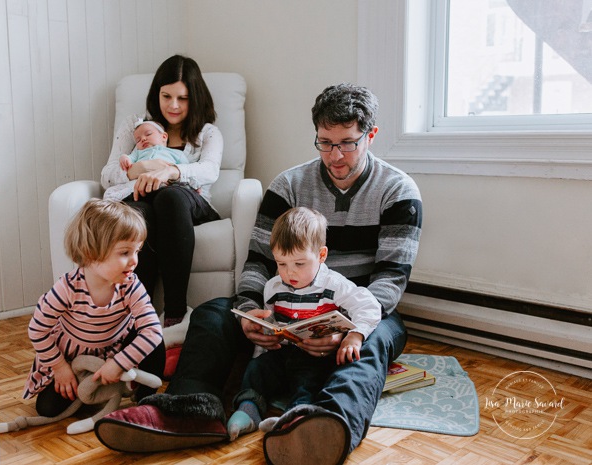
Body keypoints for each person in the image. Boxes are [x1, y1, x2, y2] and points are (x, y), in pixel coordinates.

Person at [95, 83, 422, 465]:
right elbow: (258, 262)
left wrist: (344, 328)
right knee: (211, 314)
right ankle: (186, 411)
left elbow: (389, 282)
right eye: (324, 142)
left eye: (347, 143)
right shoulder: (288, 185)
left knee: (372, 343)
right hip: (285, 307)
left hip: (356, 313)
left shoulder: (398, 190)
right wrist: (251, 311)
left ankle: (327, 424)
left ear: (371, 136)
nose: (335, 156)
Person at [226, 207, 381, 440]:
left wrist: (354, 335)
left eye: (299, 264)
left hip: (316, 356)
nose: (289, 273)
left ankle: (296, 419)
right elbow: (271, 323)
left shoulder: (333, 284)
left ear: (321, 255)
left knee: (307, 381)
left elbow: (369, 306)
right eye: (281, 263)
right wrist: (267, 340)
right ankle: (248, 411)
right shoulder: (274, 287)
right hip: (283, 353)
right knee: (256, 369)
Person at [100, 55, 222, 329]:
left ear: (196, 98)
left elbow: (210, 170)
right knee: (137, 214)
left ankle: (175, 313)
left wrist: (170, 172)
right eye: (166, 96)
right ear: (157, 94)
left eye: (183, 98)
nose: (173, 105)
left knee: (170, 196)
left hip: (188, 201)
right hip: (142, 199)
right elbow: (108, 175)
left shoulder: (207, 133)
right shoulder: (136, 125)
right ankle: (135, 318)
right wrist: (142, 168)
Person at [23, 199, 165, 418]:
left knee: (154, 342)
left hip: (116, 351)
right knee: (47, 409)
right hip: (72, 360)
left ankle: (146, 399)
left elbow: (153, 331)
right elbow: (37, 330)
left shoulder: (130, 284)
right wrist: (60, 368)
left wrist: (119, 363)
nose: (134, 261)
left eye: (137, 251)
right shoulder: (67, 288)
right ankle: (97, 391)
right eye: (125, 252)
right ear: (91, 253)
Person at [103, 119, 190, 202]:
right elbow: (129, 158)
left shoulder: (176, 153)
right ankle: (110, 210)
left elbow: (185, 170)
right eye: (138, 140)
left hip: (164, 184)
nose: (143, 139)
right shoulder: (138, 152)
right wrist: (124, 157)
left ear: (164, 136)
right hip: (139, 183)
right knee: (110, 192)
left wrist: (193, 186)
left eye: (148, 134)